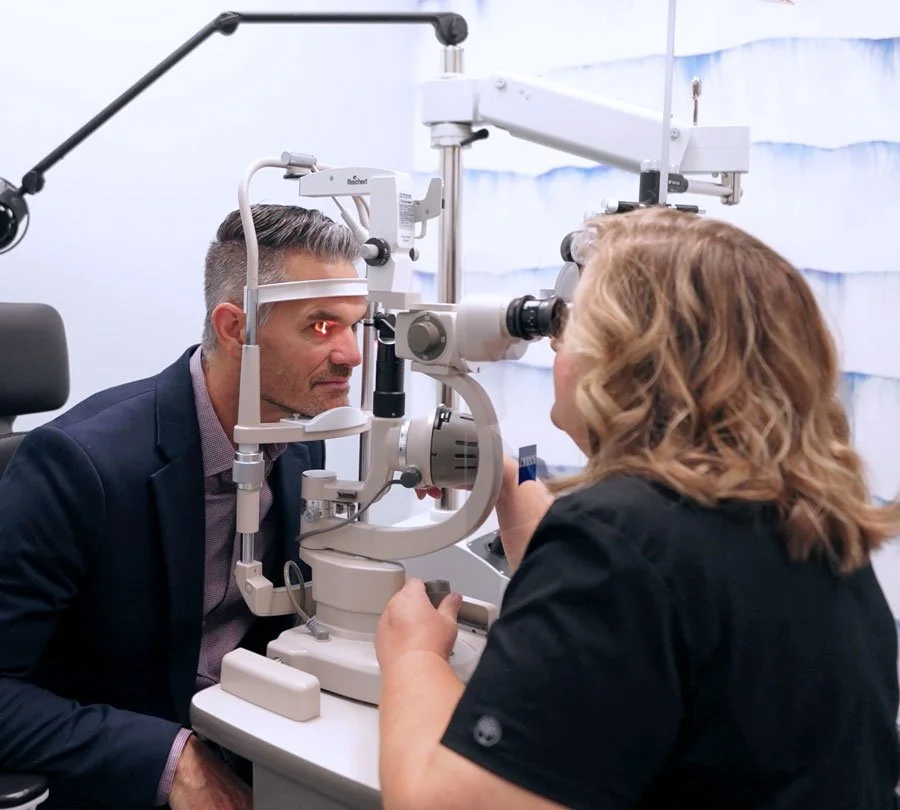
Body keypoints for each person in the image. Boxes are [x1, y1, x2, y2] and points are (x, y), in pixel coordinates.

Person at [375, 207, 900, 809]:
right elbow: (647, 593)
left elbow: (442, 806)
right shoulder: (810, 523)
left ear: (627, 356)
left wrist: (414, 656)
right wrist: (503, 475)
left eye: (569, 327)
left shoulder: (617, 540)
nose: (552, 346)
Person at [0, 204, 370, 810]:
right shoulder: (80, 467)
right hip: (125, 768)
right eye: (322, 326)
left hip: (251, 735)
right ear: (234, 328)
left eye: (358, 325)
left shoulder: (302, 437)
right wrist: (175, 762)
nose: (352, 355)